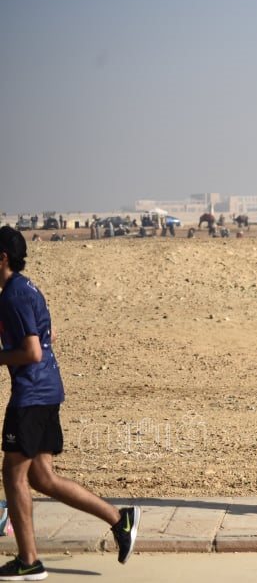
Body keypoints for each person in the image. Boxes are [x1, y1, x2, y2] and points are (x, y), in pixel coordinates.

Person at [0, 226, 140, 580]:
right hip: (47, 390)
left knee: (13, 474)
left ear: (2, 258)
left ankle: (29, 560)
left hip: (31, 396)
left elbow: (31, 351)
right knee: (43, 478)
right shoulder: (27, 288)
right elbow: (50, 334)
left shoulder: (12, 296)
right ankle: (119, 519)